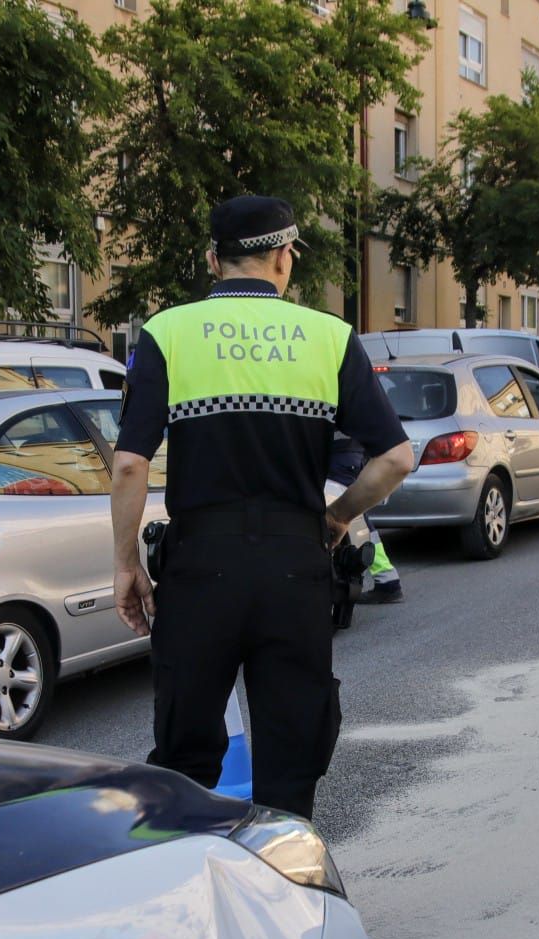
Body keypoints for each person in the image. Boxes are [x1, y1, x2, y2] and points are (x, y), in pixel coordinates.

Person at [109, 195, 415, 817]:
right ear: (283, 257)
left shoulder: (168, 331)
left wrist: (126, 565)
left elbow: (130, 464)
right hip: (294, 569)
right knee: (290, 760)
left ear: (212, 260)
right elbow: (395, 459)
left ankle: (188, 889)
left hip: (199, 570)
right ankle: (287, 894)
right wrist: (335, 517)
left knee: (184, 760)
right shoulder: (330, 337)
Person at [331, 431, 403, 603]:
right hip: (349, 454)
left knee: (354, 519)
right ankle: (387, 579)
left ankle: (387, 580)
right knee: (358, 519)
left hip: (338, 455)